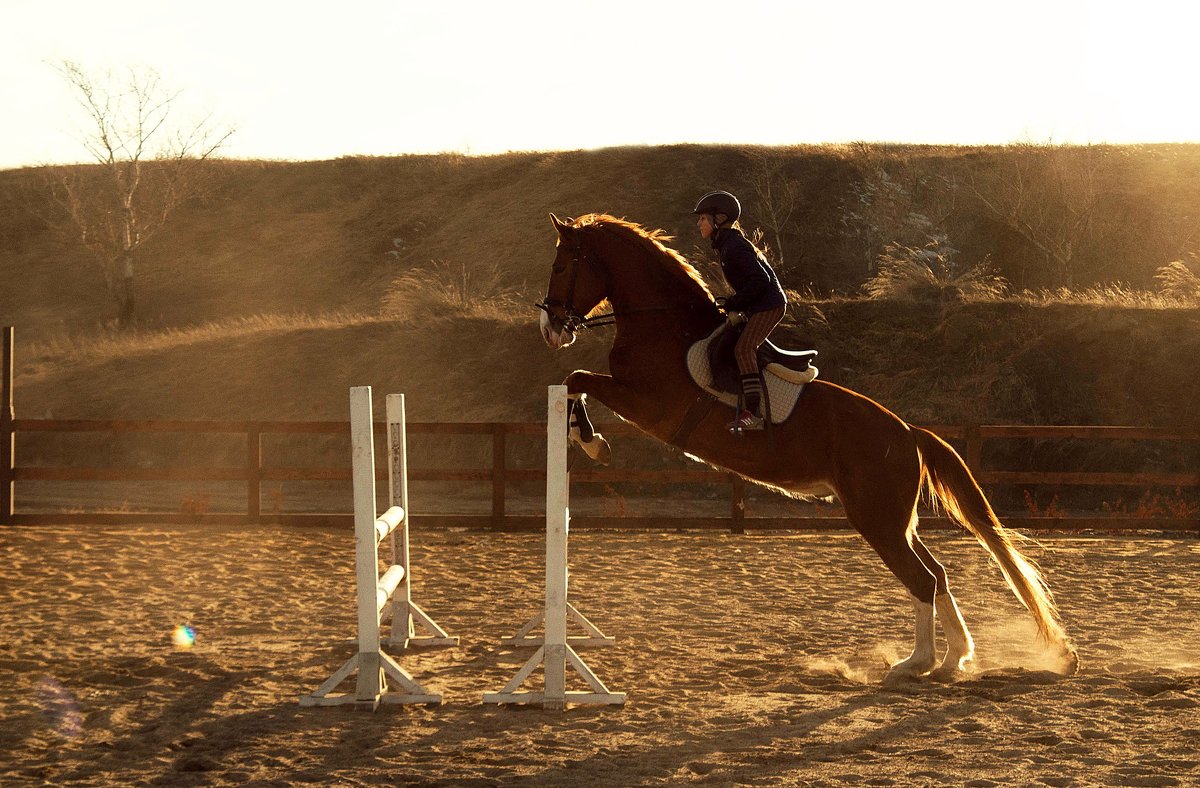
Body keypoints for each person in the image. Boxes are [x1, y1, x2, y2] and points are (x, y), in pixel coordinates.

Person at [693, 190, 787, 431]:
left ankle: (753, 414)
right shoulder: (726, 245)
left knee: (744, 348)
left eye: (703, 218)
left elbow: (761, 281)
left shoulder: (733, 245)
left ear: (719, 219)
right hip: (759, 304)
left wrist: (735, 303)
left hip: (769, 305)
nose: (699, 223)